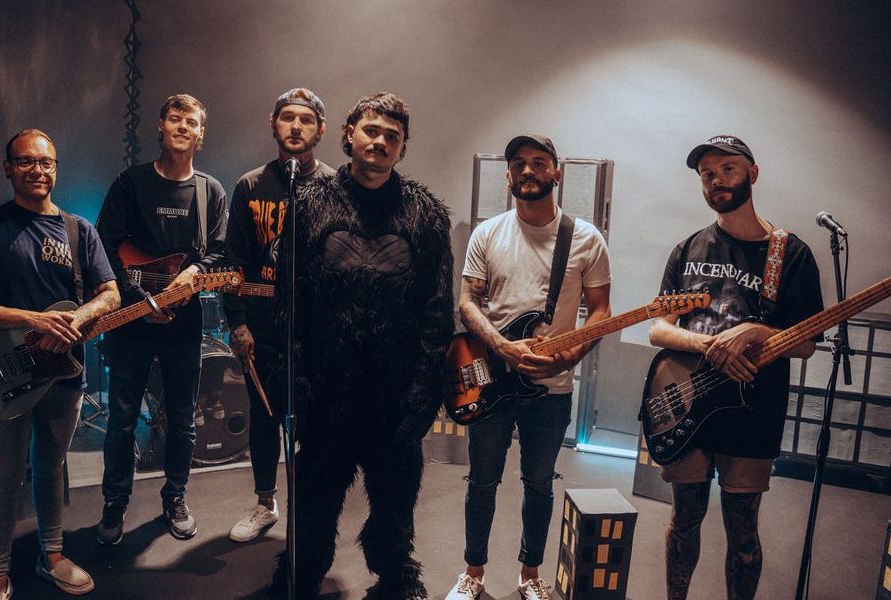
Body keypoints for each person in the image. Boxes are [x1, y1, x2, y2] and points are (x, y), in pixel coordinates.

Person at [269, 92, 454, 600]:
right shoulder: (309, 204)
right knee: (315, 497)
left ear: (403, 148)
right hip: (325, 392)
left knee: (396, 498)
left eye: (392, 136)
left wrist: (425, 391)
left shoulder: (426, 215)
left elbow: (438, 311)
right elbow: (289, 304)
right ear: (349, 134)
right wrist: (292, 379)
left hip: (395, 395)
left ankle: (396, 575)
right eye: (371, 130)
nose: (380, 142)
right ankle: (301, 576)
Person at [647, 135, 823, 600]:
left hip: (753, 412)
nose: (716, 180)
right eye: (707, 174)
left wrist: (756, 332)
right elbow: (658, 329)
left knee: (743, 532)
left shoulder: (791, 254)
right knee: (683, 521)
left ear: (752, 174)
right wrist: (710, 345)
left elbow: (807, 343)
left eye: (727, 169)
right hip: (688, 404)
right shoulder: (687, 249)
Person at [0, 129, 119, 600]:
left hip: (63, 372)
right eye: (26, 161)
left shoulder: (79, 230)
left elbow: (110, 294)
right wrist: (33, 319)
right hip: (4, 370)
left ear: (55, 169)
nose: (37, 170)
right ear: (8, 168)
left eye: (46, 163)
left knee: (51, 469)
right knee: (3, 481)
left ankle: (53, 555)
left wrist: (77, 318)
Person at [447, 135, 612, 600]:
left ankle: (530, 573)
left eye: (539, 162)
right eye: (518, 163)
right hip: (489, 380)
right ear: (507, 175)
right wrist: (502, 347)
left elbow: (601, 310)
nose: (528, 170)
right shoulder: (487, 233)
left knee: (539, 484)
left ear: (556, 173)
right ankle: (473, 572)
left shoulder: (585, 238)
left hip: (551, 387)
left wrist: (572, 355)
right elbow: (467, 302)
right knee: (481, 481)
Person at [93, 94, 228, 544]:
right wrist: (140, 300)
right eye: (175, 118)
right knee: (122, 418)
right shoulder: (130, 183)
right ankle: (115, 502)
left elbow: (221, 250)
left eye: (192, 121)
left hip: (184, 323)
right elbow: (104, 245)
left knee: (183, 418)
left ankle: (175, 497)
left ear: (201, 134)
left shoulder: (210, 191)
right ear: (160, 125)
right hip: (132, 320)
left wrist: (198, 270)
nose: (183, 126)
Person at [223, 87, 336, 543]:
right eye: (287, 117)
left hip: (315, 328)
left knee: (315, 418)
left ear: (321, 130)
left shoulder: (336, 186)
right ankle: (265, 502)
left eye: (306, 120)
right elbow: (233, 260)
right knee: (264, 416)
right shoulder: (251, 185)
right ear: (273, 125)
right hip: (262, 326)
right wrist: (237, 323)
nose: (295, 126)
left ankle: (310, 506)